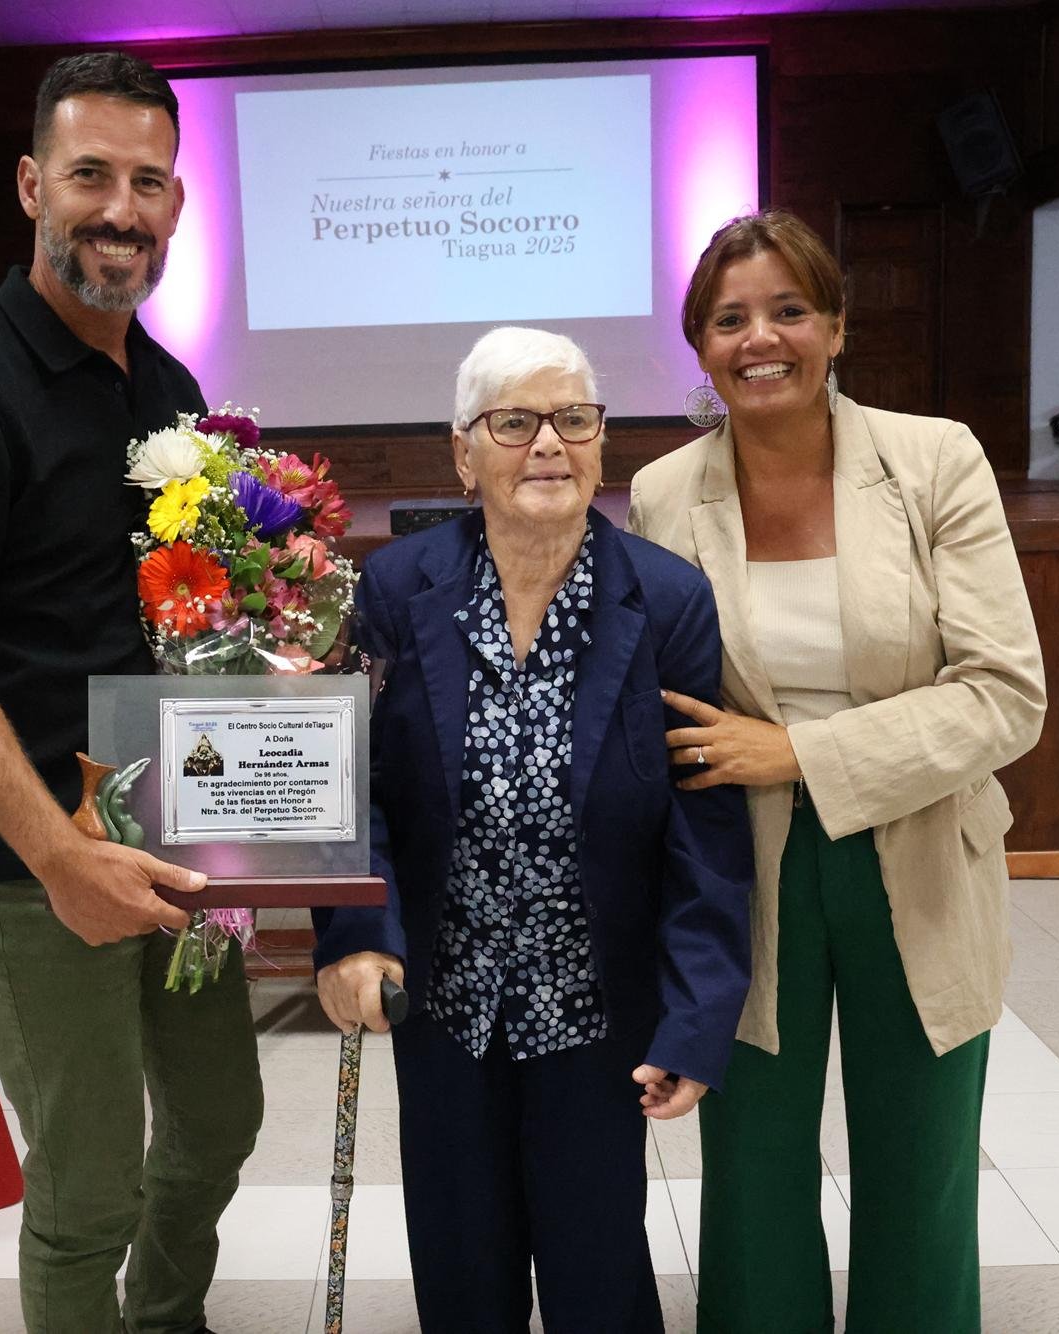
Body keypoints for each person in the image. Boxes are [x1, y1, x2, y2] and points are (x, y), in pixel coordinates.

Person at [0, 52, 262, 1334]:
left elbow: (186, 619)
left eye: (148, 181)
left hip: (172, 837)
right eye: (91, 174)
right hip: (26, 854)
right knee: (87, 1180)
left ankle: (165, 1316)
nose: (121, 207)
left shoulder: (170, 391)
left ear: (177, 205)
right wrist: (59, 853)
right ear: (35, 185)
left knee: (217, 1121)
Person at [628, 211, 1047, 1333]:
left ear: (838, 326)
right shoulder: (666, 493)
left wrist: (802, 750)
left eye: (789, 310)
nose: (761, 338)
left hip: (920, 848)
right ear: (702, 348)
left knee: (920, 1156)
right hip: (741, 862)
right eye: (730, 319)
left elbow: (1006, 693)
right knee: (753, 1158)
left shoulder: (934, 459)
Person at [314, 327, 754, 1333]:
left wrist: (695, 1013)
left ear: (601, 444)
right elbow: (351, 781)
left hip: (596, 1003)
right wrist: (353, 933)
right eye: (515, 422)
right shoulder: (394, 587)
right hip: (443, 995)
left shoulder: (667, 598)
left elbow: (705, 826)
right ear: (464, 452)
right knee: (462, 1261)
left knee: (598, 1259)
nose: (547, 443)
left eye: (573, 419)